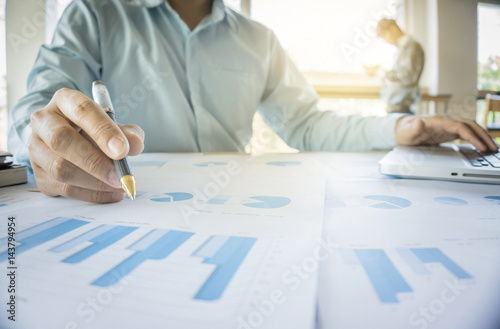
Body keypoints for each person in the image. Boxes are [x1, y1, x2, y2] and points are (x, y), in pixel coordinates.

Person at [7, 0, 498, 204]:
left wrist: (398, 128)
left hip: (231, 205)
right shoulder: (95, 13)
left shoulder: (259, 38)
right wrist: (45, 141)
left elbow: (308, 124)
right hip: (125, 205)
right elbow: (36, 110)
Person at [366, 18, 425, 114]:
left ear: (393, 29)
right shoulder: (402, 49)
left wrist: (380, 72)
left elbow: (408, 77)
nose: (385, 41)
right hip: (396, 107)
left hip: (402, 109)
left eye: (384, 36)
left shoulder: (412, 47)